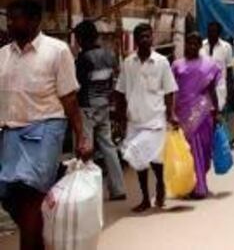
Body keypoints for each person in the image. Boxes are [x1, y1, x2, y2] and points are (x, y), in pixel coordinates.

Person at [0, 0, 92, 250]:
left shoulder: (57, 51)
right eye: (8, 17)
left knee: (31, 196)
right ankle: (39, 240)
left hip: (45, 130)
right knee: (9, 197)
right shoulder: (3, 55)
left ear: (34, 21)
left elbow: (69, 99)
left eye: (15, 17)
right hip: (10, 133)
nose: (9, 22)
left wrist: (82, 137)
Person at [116, 23, 178, 213]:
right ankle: (145, 198)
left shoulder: (161, 62)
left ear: (152, 38)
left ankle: (160, 185)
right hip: (134, 120)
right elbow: (120, 91)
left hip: (155, 119)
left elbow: (169, 91)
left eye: (148, 36)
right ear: (136, 39)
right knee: (138, 161)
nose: (145, 39)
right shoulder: (128, 63)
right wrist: (120, 119)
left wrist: (171, 114)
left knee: (156, 160)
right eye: (141, 36)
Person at [74, 20, 126, 201]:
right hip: (104, 105)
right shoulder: (109, 55)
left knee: (85, 149)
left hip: (87, 107)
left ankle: (87, 193)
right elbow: (113, 80)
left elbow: (77, 85)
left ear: (81, 38)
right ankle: (118, 189)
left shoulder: (83, 58)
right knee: (109, 148)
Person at [171, 32, 221, 199]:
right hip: (183, 112)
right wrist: (171, 112)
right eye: (189, 43)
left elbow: (212, 89)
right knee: (187, 150)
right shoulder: (177, 65)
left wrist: (217, 111)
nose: (191, 46)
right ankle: (195, 186)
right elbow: (171, 91)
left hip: (203, 111)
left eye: (195, 43)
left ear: (200, 46)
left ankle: (200, 180)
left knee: (204, 149)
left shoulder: (209, 65)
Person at [201, 21, 233, 115]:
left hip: (220, 88)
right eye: (210, 31)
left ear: (219, 33)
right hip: (203, 88)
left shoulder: (226, 47)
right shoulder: (201, 46)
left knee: (219, 116)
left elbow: (229, 69)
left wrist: (229, 90)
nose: (211, 33)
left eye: (214, 31)